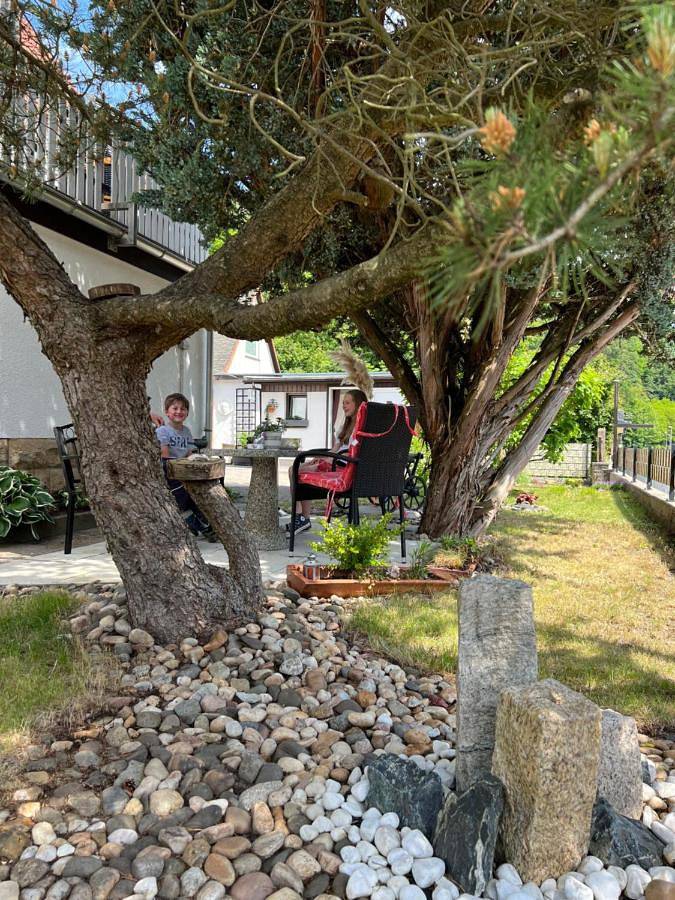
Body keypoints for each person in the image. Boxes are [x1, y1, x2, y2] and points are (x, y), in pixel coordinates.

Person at [287, 388, 368, 534]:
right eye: (343, 403)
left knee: (296, 471)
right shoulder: (346, 426)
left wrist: (328, 459)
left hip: (343, 469)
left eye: (347, 403)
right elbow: (335, 449)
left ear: (359, 405)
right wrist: (322, 458)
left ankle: (301, 517)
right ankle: (302, 518)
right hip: (336, 462)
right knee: (295, 468)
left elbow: (352, 455)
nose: (343, 406)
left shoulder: (362, 428)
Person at [155, 393, 215, 540]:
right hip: (170, 472)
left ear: (187, 412)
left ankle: (203, 524)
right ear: (167, 412)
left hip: (184, 471)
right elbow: (165, 457)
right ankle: (196, 524)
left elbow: (189, 453)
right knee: (182, 497)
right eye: (174, 408)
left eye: (183, 409)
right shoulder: (162, 431)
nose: (179, 411)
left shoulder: (186, 431)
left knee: (199, 492)